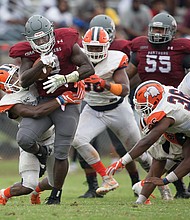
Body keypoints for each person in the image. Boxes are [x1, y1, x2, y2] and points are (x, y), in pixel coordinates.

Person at [8, 14, 94, 205]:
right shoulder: (28, 52)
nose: (41, 42)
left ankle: (56, 194)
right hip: (43, 100)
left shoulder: (66, 41)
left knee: (62, 151)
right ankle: (41, 153)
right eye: (36, 40)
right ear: (29, 40)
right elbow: (24, 81)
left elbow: (88, 68)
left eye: (44, 37)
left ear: (51, 34)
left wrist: (66, 78)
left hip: (68, 100)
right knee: (25, 138)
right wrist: (40, 64)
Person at [71, 26, 152, 196]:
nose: (93, 51)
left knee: (138, 153)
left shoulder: (116, 59)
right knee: (78, 139)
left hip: (117, 109)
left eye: (97, 48)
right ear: (84, 46)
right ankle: (106, 177)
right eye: (90, 47)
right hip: (92, 109)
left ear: (107, 46)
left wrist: (105, 84)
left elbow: (124, 89)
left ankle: (160, 184)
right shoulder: (75, 59)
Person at [0, 63, 85, 205]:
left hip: (50, 138)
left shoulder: (33, 83)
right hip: (31, 144)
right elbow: (35, 113)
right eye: (12, 79)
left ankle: (37, 191)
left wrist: (77, 84)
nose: (17, 79)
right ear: (4, 86)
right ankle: (3, 194)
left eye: (17, 74)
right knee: (27, 185)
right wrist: (62, 99)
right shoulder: (8, 101)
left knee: (54, 182)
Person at [126, 12, 190, 198]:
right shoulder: (141, 47)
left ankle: (168, 186)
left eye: (162, 30)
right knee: (161, 149)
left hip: (173, 105)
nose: (158, 34)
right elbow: (130, 73)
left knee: (175, 147)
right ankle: (166, 185)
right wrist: (121, 89)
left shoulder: (181, 49)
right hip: (148, 105)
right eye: (154, 29)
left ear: (171, 31)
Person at [106, 80, 190, 204]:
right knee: (158, 156)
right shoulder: (163, 90)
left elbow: (147, 141)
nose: (142, 109)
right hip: (182, 128)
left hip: (184, 129)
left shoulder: (166, 112)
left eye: (144, 105)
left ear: (156, 101)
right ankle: (141, 200)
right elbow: (157, 157)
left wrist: (165, 180)